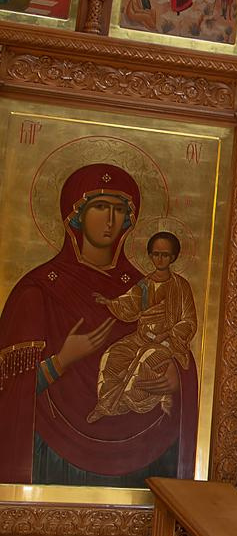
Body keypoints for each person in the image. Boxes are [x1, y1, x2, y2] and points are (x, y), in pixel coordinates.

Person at [0, 163, 198, 486]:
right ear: (75, 214)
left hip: (137, 457)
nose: (110, 220)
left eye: (119, 209)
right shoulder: (37, 290)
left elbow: (181, 340)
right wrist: (62, 361)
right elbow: (10, 390)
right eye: (100, 207)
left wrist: (177, 376)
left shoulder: (144, 285)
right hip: (53, 455)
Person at [87, 231, 198, 425]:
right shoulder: (144, 284)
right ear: (150, 255)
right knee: (112, 355)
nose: (160, 259)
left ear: (173, 257)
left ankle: (125, 405)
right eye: (156, 254)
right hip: (141, 336)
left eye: (165, 255)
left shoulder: (180, 286)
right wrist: (109, 302)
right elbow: (130, 304)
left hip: (168, 341)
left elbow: (189, 321)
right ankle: (105, 404)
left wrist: (166, 334)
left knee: (143, 361)